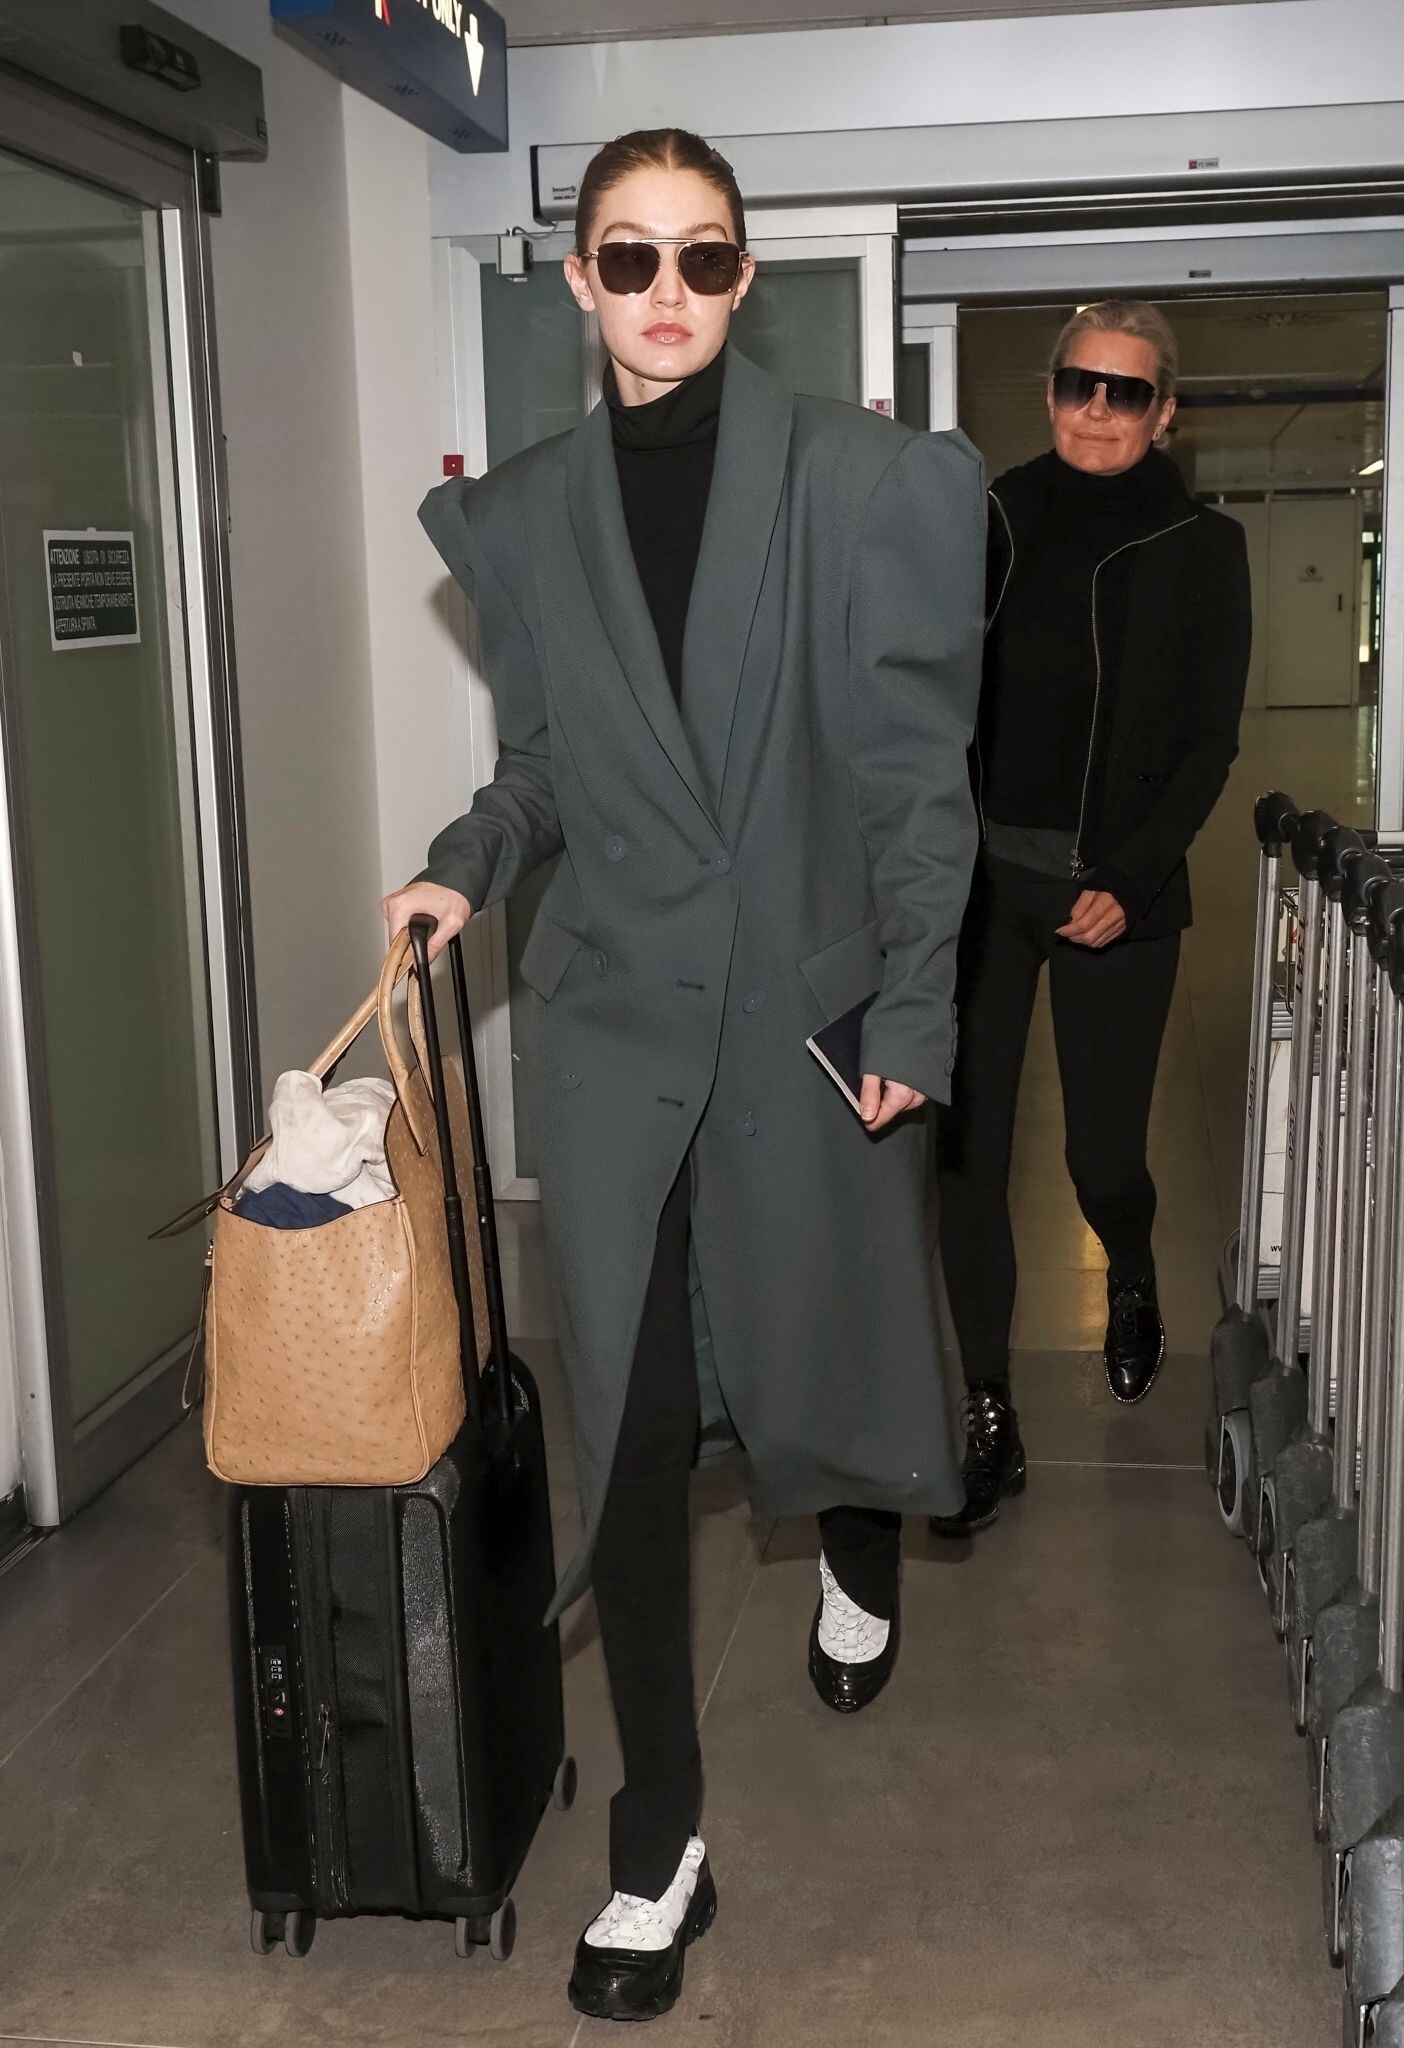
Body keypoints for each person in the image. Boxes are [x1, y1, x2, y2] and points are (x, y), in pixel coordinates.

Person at [384, 129, 984, 2023]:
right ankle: (662, 1845)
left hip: (803, 1011)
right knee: (632, 1432)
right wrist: (464, 865)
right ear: (577, 278)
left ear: (746, 278)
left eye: (703, 258)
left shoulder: (861, 482)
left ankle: (860, 1532)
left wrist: (912, 1015)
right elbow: (550, 763)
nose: (666, 293)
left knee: (823, 1343)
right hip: (619, 1025)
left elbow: (915, 783)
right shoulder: (528, 514)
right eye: (628, 257)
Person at [933, 300, 1250, 1539]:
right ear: (1051, 391)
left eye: (1127, 391)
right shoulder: (993, 518)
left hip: (1118, 891)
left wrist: (1130, 872)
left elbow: (1208, 740)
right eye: (1080, 385)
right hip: (981, 887)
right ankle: (988, 1412)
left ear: (1166, 410)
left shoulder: (1202, 545)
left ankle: (1130, 1262)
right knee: (967, 1154)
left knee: (1099, 1158)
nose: (1099, 411)